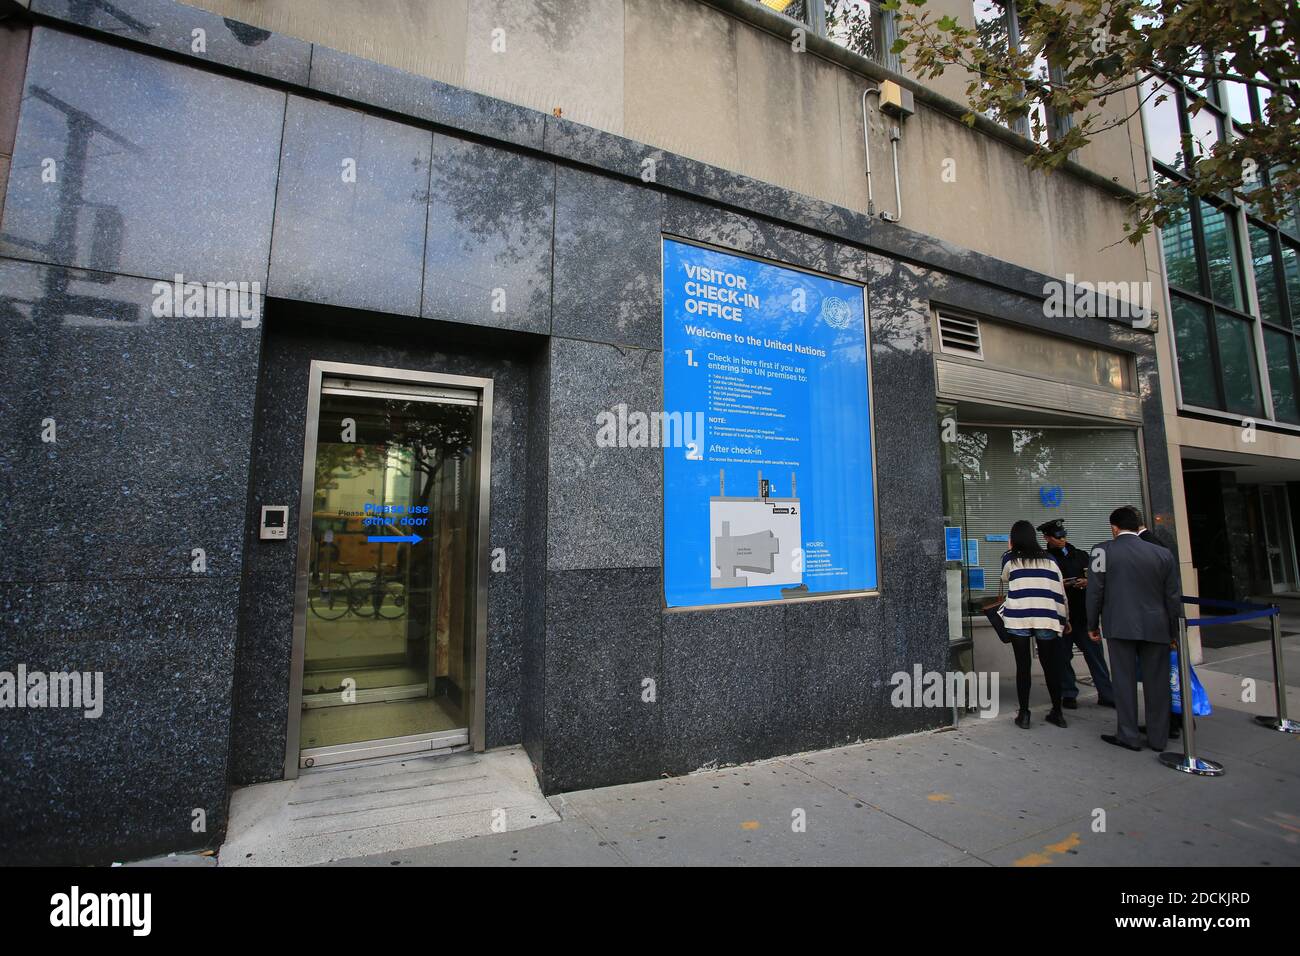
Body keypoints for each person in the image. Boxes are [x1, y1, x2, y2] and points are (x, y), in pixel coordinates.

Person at [1086, 506, 1182, 751]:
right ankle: (1158, 738)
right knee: (1157, 683)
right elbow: (1172, 597)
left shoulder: (1101, 551)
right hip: (1157, 625)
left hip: (1119, 624)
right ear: (1138, 526)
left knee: (1123, 680)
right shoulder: (1162, 554)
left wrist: (1091, 623)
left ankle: (1128, 734)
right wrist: (1174, 630)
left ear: (1114, 527)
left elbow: (1095, 592)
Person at [1038, 519, 1115, 709]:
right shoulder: (1045, 559)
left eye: (1064, 535)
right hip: (1061, 616)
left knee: (1096, 657)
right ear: (1047, 538)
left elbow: (1096, 579)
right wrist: (1060, 585)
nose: (1062, 539)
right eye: (1057, 537)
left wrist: (1086, 582)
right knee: (1062, 658)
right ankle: (1068, 693)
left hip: (1083, 614)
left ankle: (1106, 693)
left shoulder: (1080, 555)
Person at [1000, 519, 1069, 730]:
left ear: (1013, 539)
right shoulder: (1049, 561)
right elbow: (1060, 592)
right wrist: (1065, 619)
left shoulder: (1009, 560)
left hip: (1019, 617)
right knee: (1050, 666)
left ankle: (1024, 713)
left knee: (1023, 667)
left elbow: (1004, 579)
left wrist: (1010, 551)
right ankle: (1057, 712)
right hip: (1046, 617)